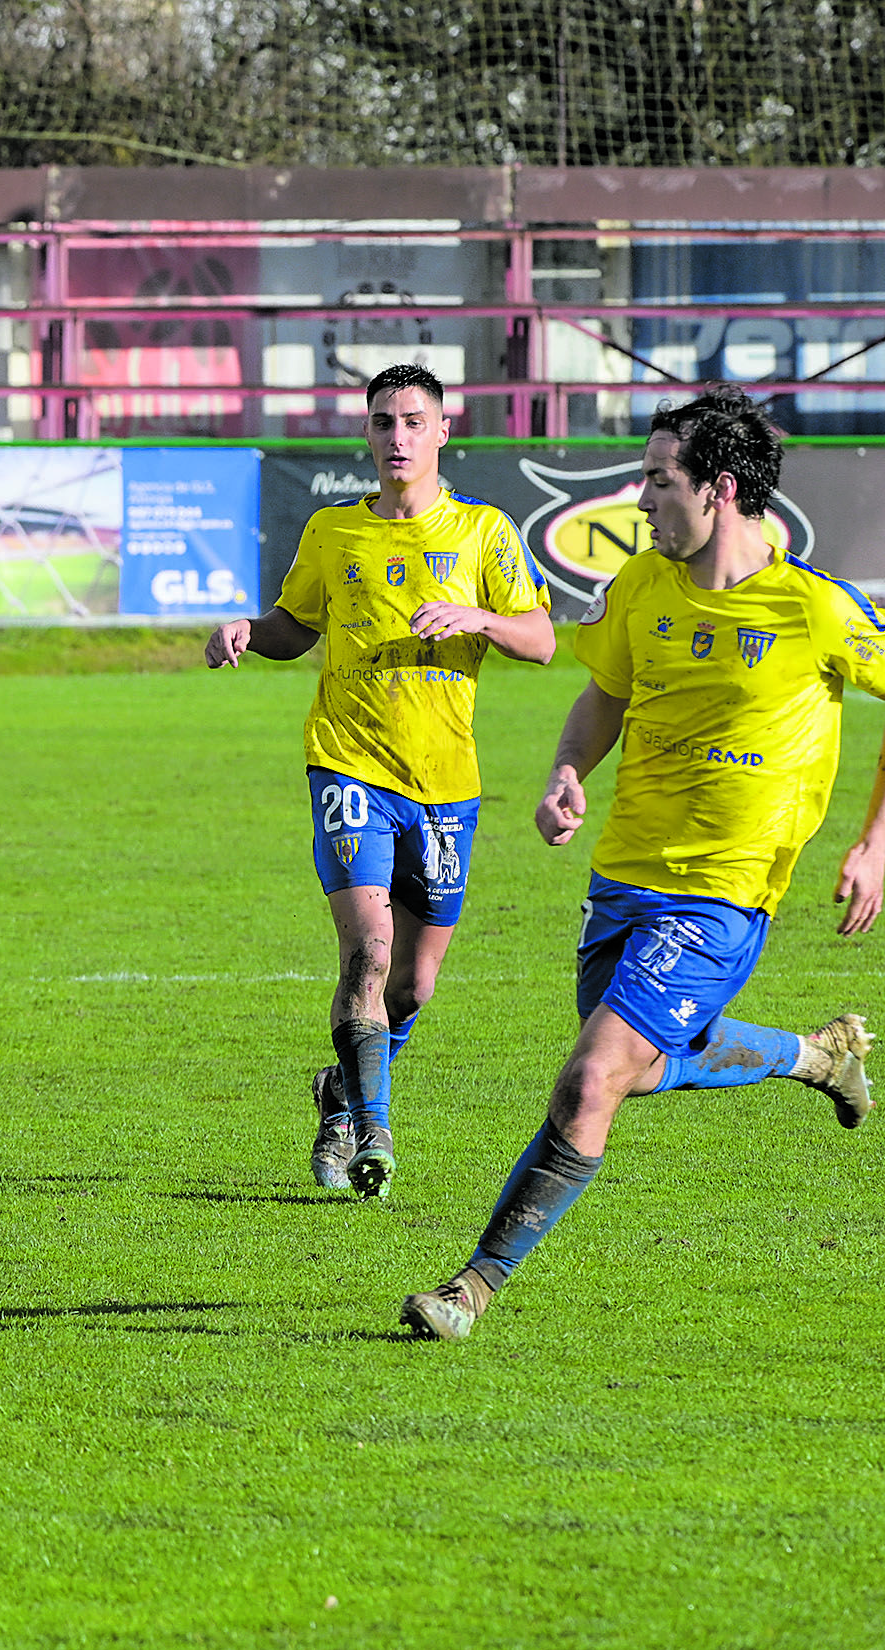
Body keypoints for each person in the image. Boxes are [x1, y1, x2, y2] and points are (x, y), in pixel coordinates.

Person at [402, 386, 881, 1342]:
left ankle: (470, 1289)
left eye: (660, 479)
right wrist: (567, 773)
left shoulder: (817, 609)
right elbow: (605, 692)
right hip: (623, 875)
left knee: (592, 1079)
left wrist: (876, 843)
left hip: (724, 892)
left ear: (722, 490)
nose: (641, 496)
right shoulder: (639, 589)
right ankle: (817, 1057)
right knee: (642, 1066)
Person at [206, 364, 556, 1197]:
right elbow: (296, 626)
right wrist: (249, 630)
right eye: (381, 422)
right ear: (365, 433)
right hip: (348, 762)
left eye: (412, 421)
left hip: (446, 780)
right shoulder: (333, 533)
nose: (396, 437)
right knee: (367, 949)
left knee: (415, 985)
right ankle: (374, 1128)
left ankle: (341, 1093)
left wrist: (478, 617)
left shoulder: (484, 532)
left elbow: (542, 640)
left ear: (442, 431)